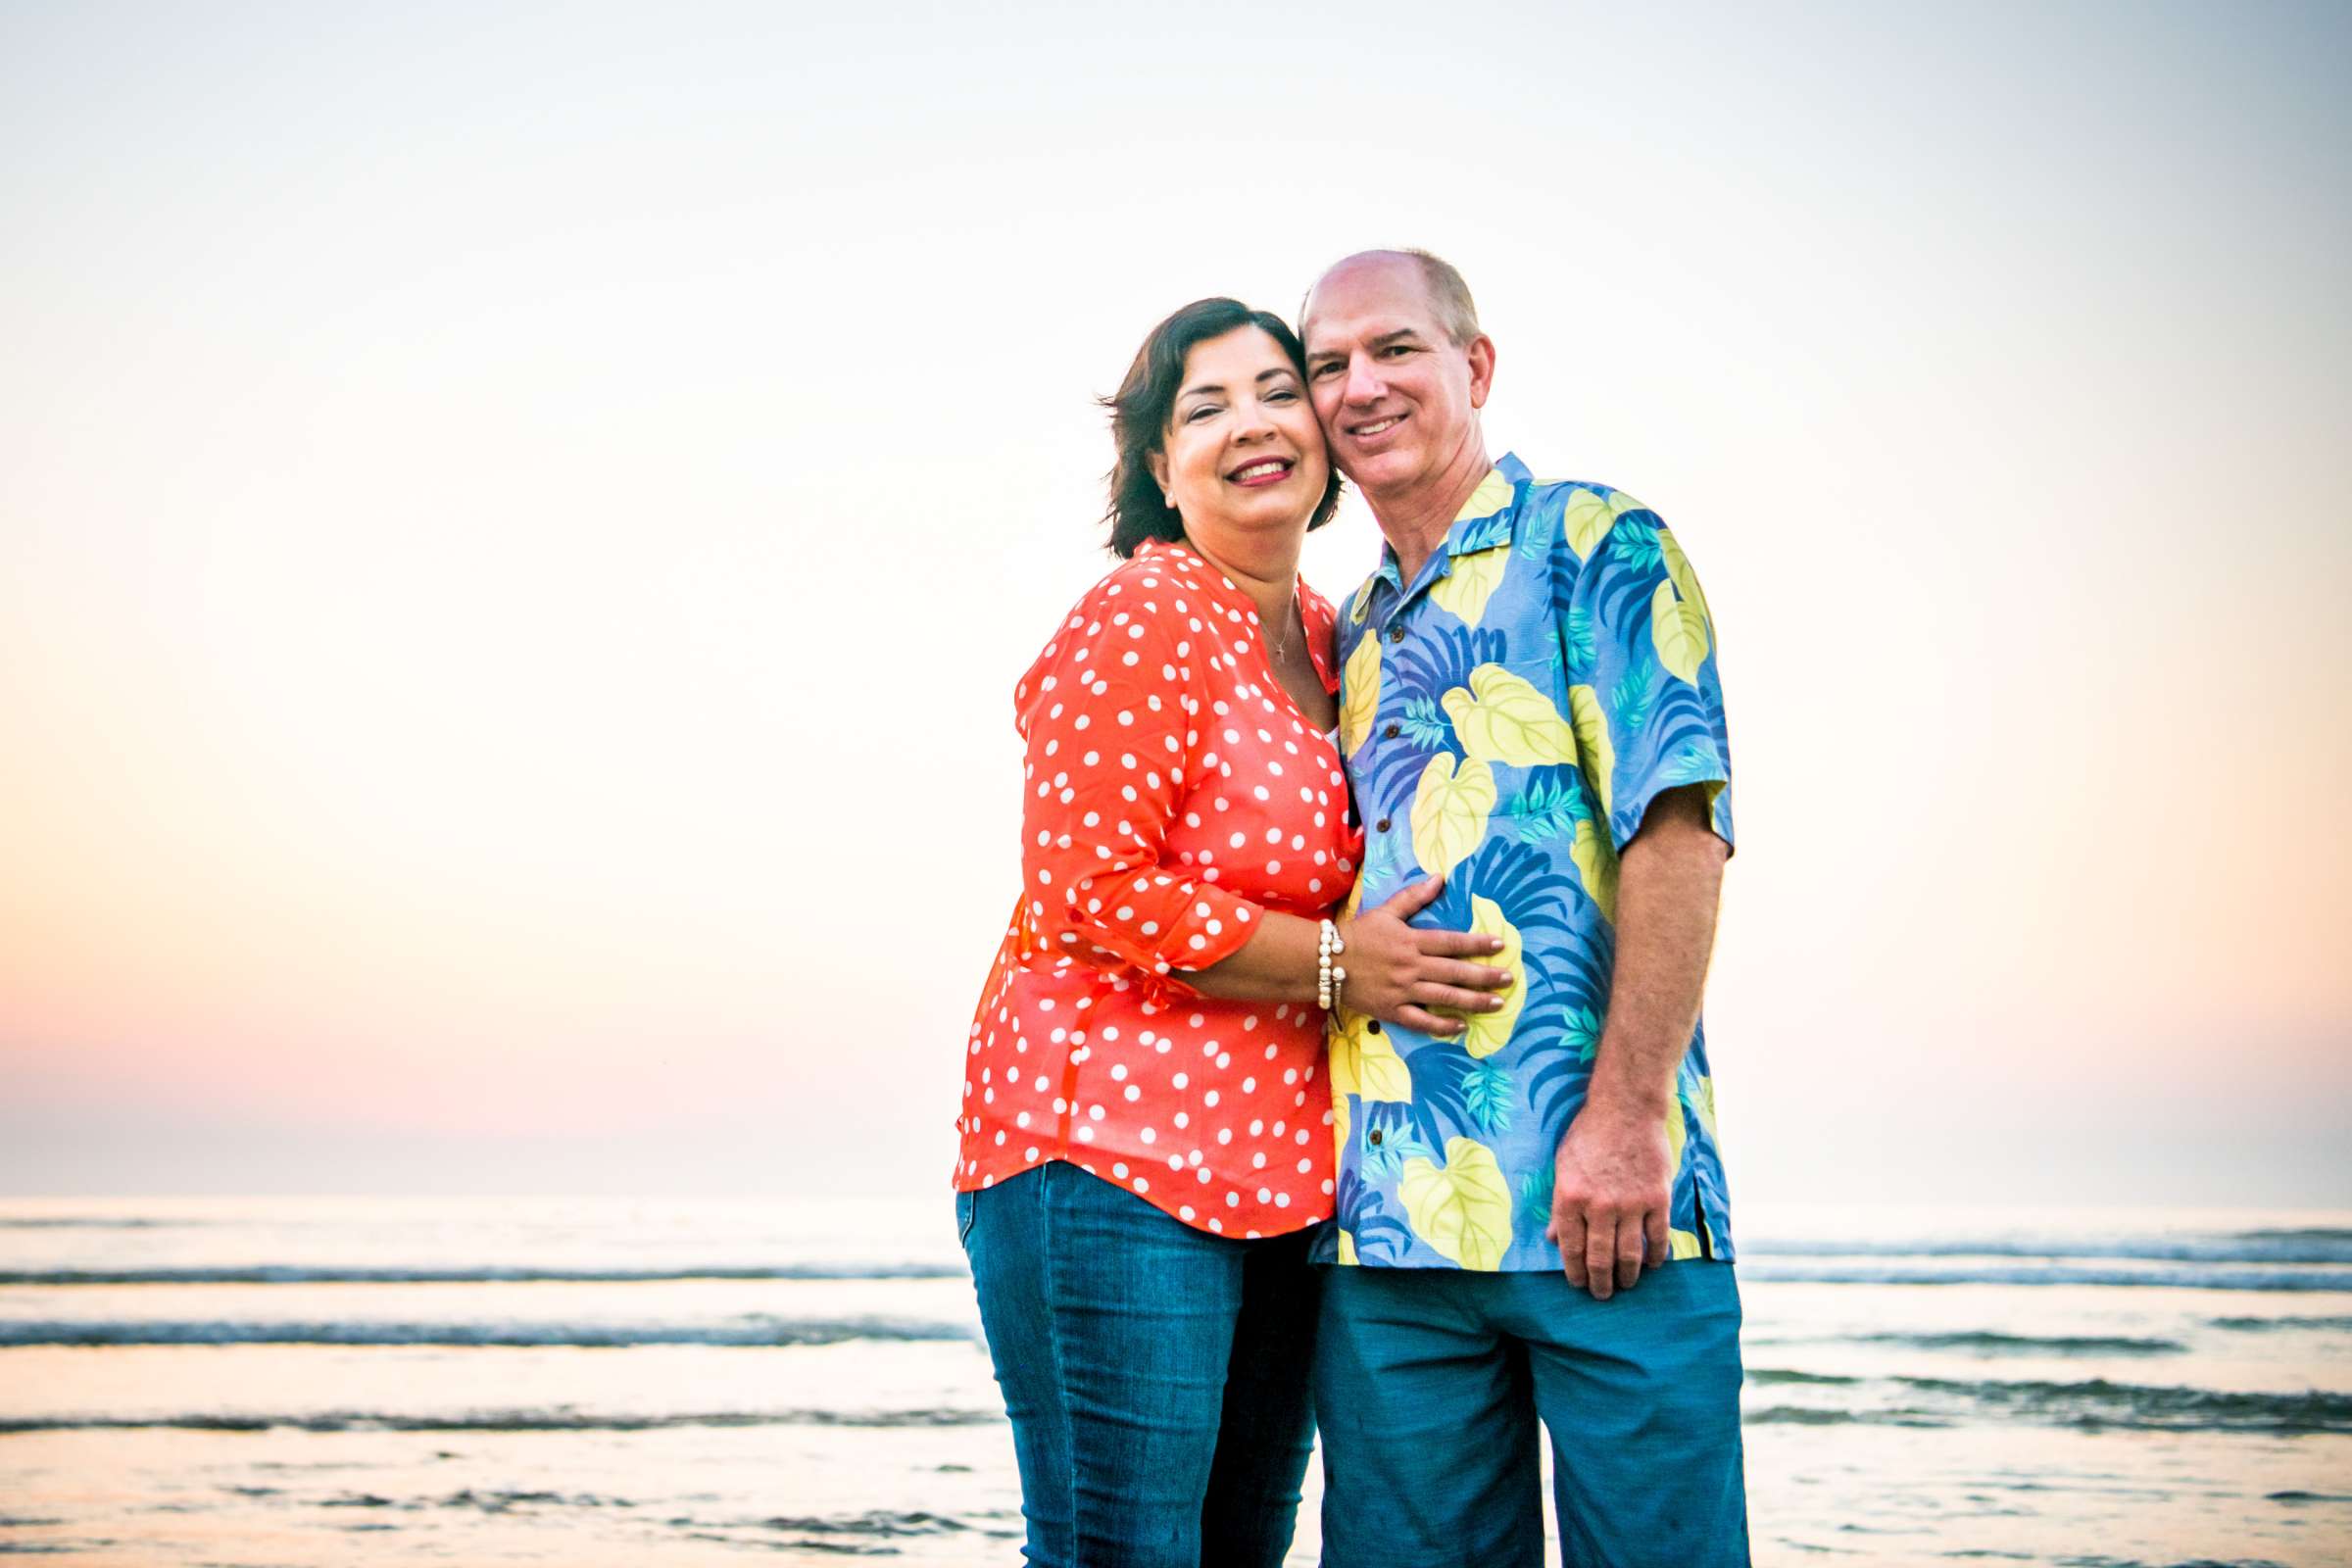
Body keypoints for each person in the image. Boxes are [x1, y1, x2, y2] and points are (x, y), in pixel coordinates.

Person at [951, 296, 1513, 1568]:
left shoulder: (1340, 637)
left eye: (1276, 392)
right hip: (1107, 1162)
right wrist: (1339, 964)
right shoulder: (1143, 617)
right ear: (1160, 467)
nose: (1251, 424)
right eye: (1205, 408)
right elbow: (1094, 885)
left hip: (1287, 1181)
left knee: (1243, 1552)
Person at [1298, 249, 1748, 1566]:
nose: (1360, 387)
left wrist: (1620, 1126)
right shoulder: (1345, 638)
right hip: (1385, 1245)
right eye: (1328, 366)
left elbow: (1682, 834)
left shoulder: (1597, 543)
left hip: (1605, 1215)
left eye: (1395, 351)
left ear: (1475, 367)